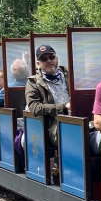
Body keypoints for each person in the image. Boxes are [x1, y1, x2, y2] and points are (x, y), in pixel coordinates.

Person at [25, 44, 71, 181]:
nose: (49, 60)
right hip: (53, 124)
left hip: (79, 117)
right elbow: (34, 107)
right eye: (44, 59)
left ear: (57, 58)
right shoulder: (33, 82)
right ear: (38, 63)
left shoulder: (69, 74)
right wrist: (63, 107)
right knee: (70, 133)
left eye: (51, 56)